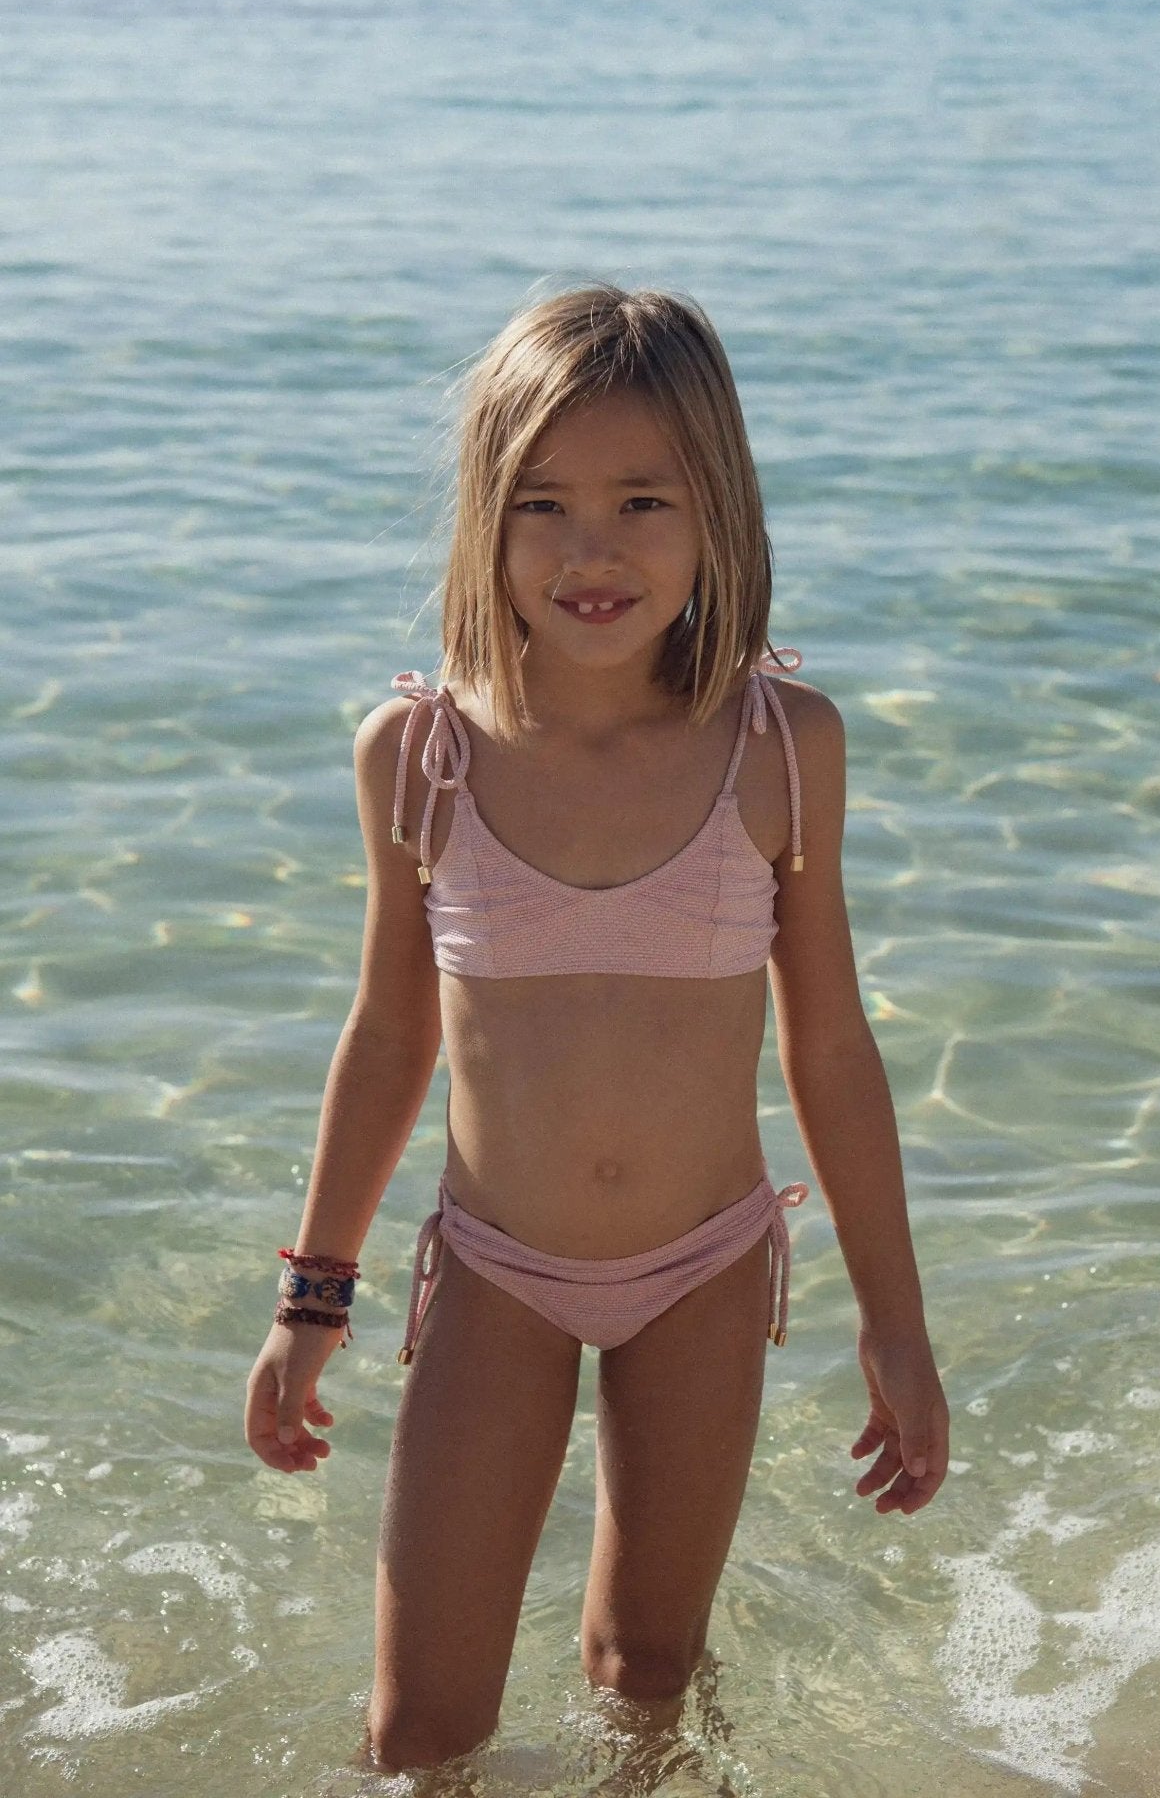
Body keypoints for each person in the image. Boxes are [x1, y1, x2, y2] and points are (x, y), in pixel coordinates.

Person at [243, 283, 949, 1774]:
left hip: (701, 1273)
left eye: (643, 500)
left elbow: (830, 1050)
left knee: (646, 1673)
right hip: (495, 1275)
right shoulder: (422, 755)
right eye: (542, 504)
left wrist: (894, 1321)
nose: (592, 549)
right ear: (483, 524)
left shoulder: (778, 747)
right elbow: (387, 1037)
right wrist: (313, 1298)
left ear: (719, 516)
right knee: (418, 1723)